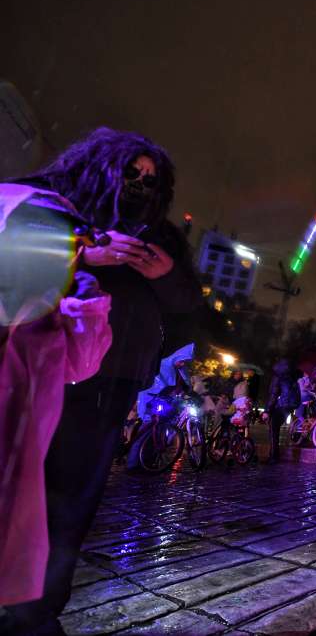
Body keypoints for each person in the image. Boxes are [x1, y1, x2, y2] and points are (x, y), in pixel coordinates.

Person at [1, 128, 201, 634]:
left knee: (74, 502)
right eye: (130, 174)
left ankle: (38, 611)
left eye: (150, 180)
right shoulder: (64, 209)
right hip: (43, 368)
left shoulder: (163, 236)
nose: (139, 185)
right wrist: (82, 251)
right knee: (23, 486)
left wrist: (164, 273)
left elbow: (189, 308)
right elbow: (19, 256)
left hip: (114, 380)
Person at [265, 358, 301, 463]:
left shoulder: (278, 377)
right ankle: (274, 455)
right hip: (291, 406)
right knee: (276, 427)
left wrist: (267, 410)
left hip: (282, 405)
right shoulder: (292, 377)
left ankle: (274, 457)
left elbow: (274, 394)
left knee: (273, 428)